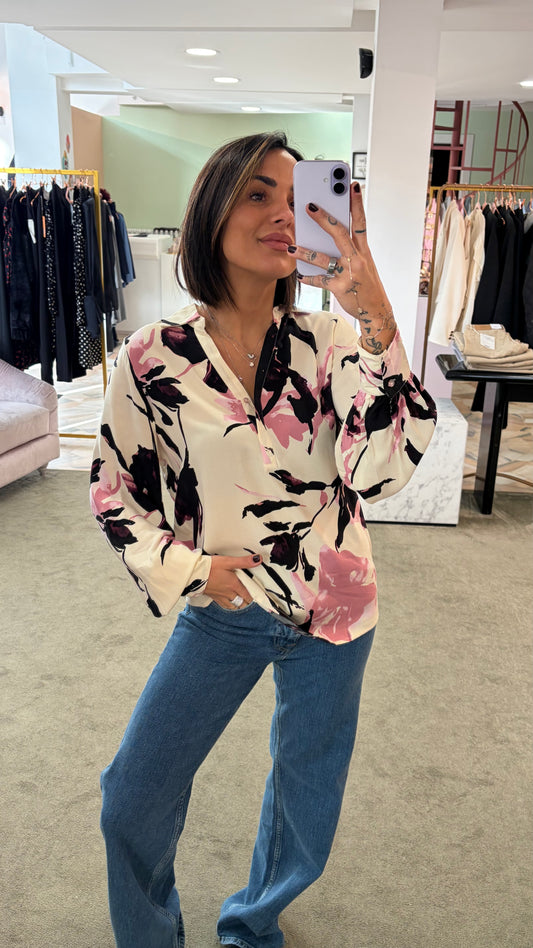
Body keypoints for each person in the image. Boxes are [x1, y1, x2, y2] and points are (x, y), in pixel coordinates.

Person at [90, 131, 437, 948]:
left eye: (297, 197)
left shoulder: (333, 344)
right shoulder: (153, 358)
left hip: (336, 607)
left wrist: (375, 312)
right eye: (257, 194)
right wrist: (192, 571)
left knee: (305, 799)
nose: (284, 215)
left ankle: (252, 926)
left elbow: (382, 470)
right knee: (132, 796)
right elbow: (113, 492)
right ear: (211, 212)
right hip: (225, 607)